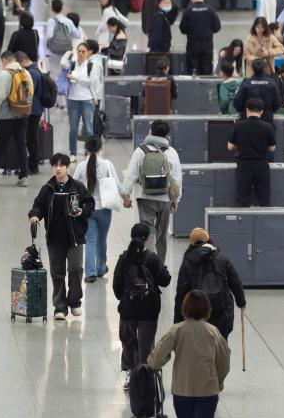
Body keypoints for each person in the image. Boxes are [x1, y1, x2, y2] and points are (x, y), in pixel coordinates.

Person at [148, 289, 231, 418]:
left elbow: (155, 360)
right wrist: (219, 382)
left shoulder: (177, 330)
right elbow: (224, 360)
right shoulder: (213, 331)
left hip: (182, 389)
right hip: (208, 390)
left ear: (185, 308)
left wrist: (153, 365)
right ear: (207, 309)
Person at [28, 153, 95, 320]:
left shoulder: (78, 187)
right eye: (55, 166)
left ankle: (75, 301)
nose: (57, 169)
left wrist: (83, 211)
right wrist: (35, 215)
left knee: (76, 269)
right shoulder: (47, 188)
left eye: (61, 166)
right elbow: (38, 206)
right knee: (57, 273)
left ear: (67, 167)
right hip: (54, 238)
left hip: (75, 238)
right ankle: (60, 307)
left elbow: (90, 203)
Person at [111, 222, 171, 389]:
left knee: (128, 342)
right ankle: (144, 377)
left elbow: (116, 285)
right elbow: (165, 280)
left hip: (128, 310)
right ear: (147, 239)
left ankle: (130, 373)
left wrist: (125, 299)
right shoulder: (152, 258)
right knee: (146, 344)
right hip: (149, 310)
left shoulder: (123, 259)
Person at [119, 119, 183, 262]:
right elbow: (177, 178)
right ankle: (159, 264)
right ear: (166, 134)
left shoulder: (140, 151)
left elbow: (130, 175)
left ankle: (150, 262)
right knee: (162, 233)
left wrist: (125, 195)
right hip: (165, 198)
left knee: (148, 231)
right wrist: (175, 199)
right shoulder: (172, 153)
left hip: (145, 197)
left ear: (151, 132)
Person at [175, 227, 247, 340]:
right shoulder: (221, 258)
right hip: (222, 310)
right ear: (208, 240)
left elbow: (181, 292)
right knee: (221, 344)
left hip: (197, 313)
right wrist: (241, 302)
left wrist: (177, 322)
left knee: (200, 346)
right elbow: (235, 282)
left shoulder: (187, 263)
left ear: (191, 244)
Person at [0, 51, 33, 187]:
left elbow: (2, 95)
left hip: (7, 115)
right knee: (21, 145)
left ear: (4, 60)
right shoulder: (26, 72)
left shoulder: (5, 74)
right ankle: (23, 177)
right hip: (23, 113)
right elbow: (31, 92)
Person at [72, 136, 119, 283]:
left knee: (90, 241)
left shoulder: (81, 166)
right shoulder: (107, 165)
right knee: (102, 239)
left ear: (85, 148)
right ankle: (101, 268)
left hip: (87, 210)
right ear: (101, 148)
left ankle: (90, 273)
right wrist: (126, 197)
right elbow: (118, 185)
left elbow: (72, 187)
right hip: (105, 209)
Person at [227, 99, 276, 206]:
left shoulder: (238, 126)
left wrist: (241, 144)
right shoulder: (267, 127)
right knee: (264, 201)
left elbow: (230, 147)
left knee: (242, 201)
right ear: (261, 111)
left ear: (247, 110)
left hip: (244, 166)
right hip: (261, 167)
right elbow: (272, 148)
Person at [61, 43, 103, 162]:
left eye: (83, 51)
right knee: (73, 128)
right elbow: (62, 64)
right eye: (79, 51)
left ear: (88, 52)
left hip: (87, 100)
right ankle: (73, 153)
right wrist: (67, 54)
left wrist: (76, 78)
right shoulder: (72, 64)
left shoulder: (91, 65)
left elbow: (91, 81)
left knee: (89, 129)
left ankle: (89, 152)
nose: (80, 53)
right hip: (73, 100)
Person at [177, 0, 221, 75]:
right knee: (207, 69)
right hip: (207, 45)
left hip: (192, 45)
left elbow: (182, 29)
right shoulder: (210, 10)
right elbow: (217, 27)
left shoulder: (188, 11)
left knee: (193, 69)